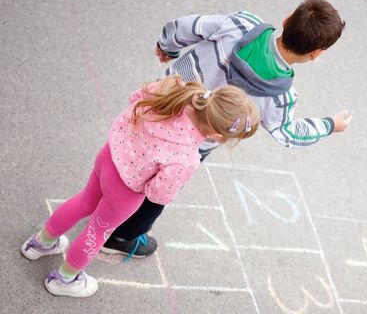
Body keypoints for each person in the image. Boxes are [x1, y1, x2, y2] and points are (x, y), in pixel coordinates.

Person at [102, 0, 352, 258]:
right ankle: (121, 236)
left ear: (287, 20)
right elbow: (288, 133)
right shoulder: (280, 96)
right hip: (190, 143)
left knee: (127, 146)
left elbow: (185, 27)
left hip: (159, 103)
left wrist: (168, 47)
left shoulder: (240, 24)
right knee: (159, 186)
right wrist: (328, 125)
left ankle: (101, 194)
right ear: (317, 53)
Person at [21, 76, 259, 297]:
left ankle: (41, 243)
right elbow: (158, 194)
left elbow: (135, 97)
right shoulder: (186, 157)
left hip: (109, 156)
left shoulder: (172, 90)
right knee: (97, 230)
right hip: (126, 189)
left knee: (84, 200)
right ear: (216, 135)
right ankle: (65, 279)